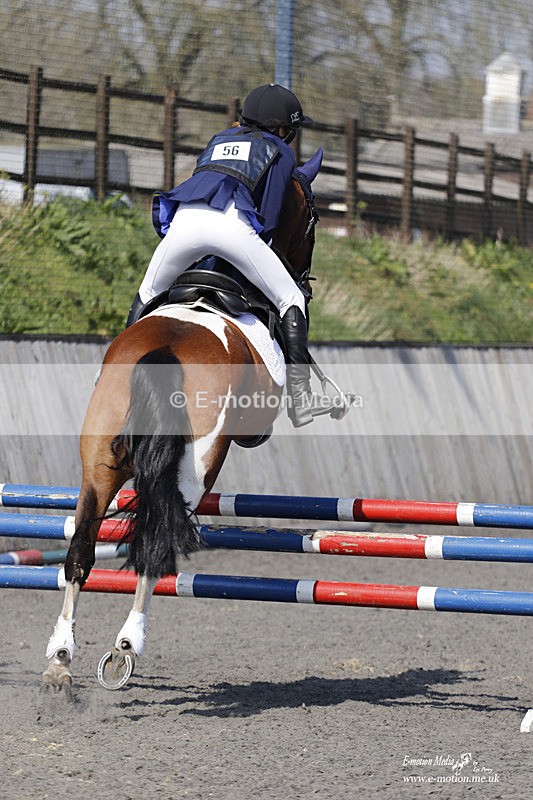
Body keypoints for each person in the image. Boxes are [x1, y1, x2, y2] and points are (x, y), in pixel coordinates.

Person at [126, 83, 329, 428]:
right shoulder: (280, 151)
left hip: (184, 226)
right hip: (232, 229)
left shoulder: (218, 139)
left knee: (147, 293)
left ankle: (113, 375)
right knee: (292, 298)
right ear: (282, 129)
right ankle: (301, 398)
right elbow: (268, 217)